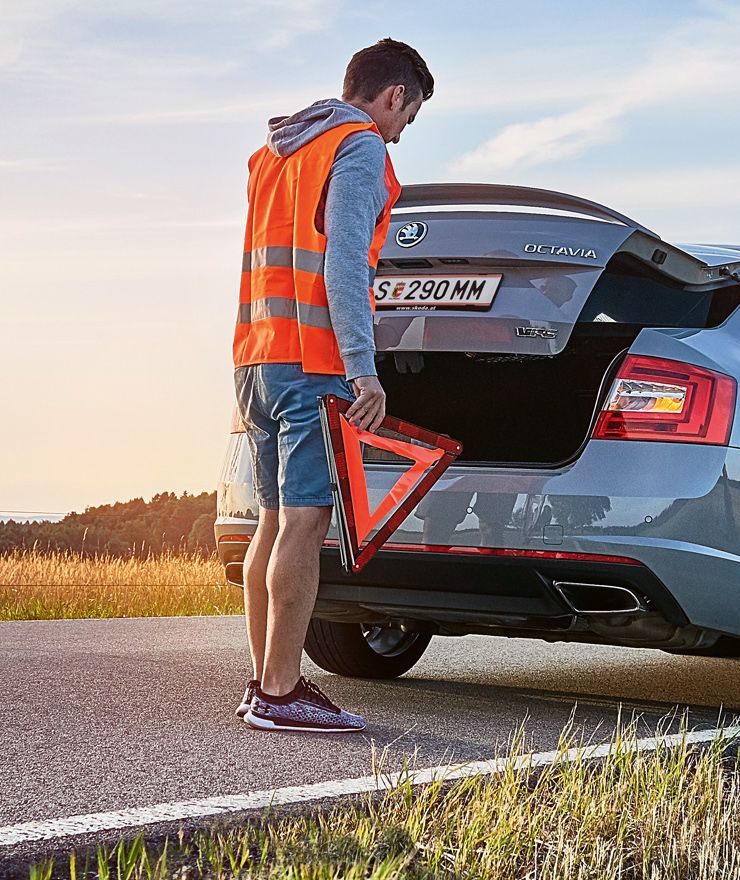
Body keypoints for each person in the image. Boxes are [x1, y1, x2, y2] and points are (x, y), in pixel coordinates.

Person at [231, 39, 434, 732]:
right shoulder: (360, 146)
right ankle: (283, 693)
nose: (403, 131)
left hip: (255, 357)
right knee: (305, 521)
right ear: (391, 96)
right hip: (314, 361)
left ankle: (264, 681)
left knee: (271, 519)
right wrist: (362, 370)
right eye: (408, 114)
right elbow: (345, 265)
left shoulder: (276, 154)